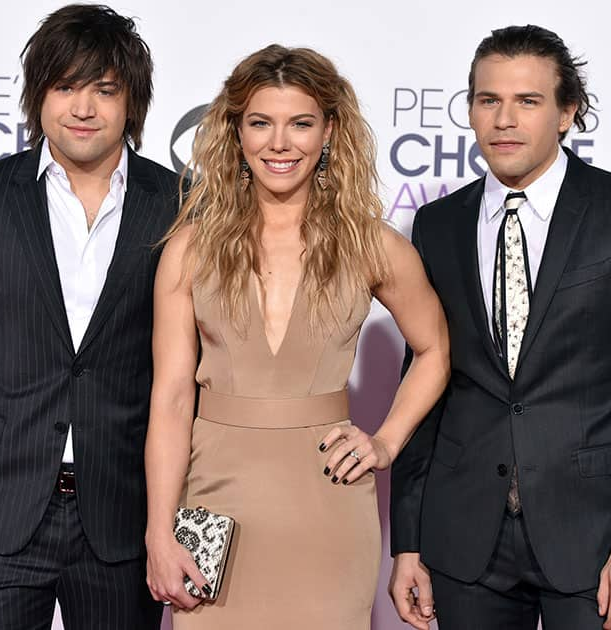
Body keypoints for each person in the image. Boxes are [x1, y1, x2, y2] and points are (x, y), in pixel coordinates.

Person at [389, 24, 611, 630]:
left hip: (597, 542)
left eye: (527, 101)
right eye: (488, 100)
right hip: (463, 543)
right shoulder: (437, 224)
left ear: (566, 113)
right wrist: (408, 543)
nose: (504, 119)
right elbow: (422, 385)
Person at [143, 44, 450, 629]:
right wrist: (159, 531)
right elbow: (172, 397)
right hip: (215, 504)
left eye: (301, 123)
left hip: (328, 509)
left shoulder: (372, 244)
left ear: (329, 131)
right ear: (236, 132)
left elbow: (435, 350)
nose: (279, 143)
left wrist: (384, 442)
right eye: (260, 123)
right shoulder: (190, 248)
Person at [0, 5, 179, 628]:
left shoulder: (178, 204)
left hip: (124, 515)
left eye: (104, 90)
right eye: (64, 87)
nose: (82, 108)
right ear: (39, 98)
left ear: (131, 103)